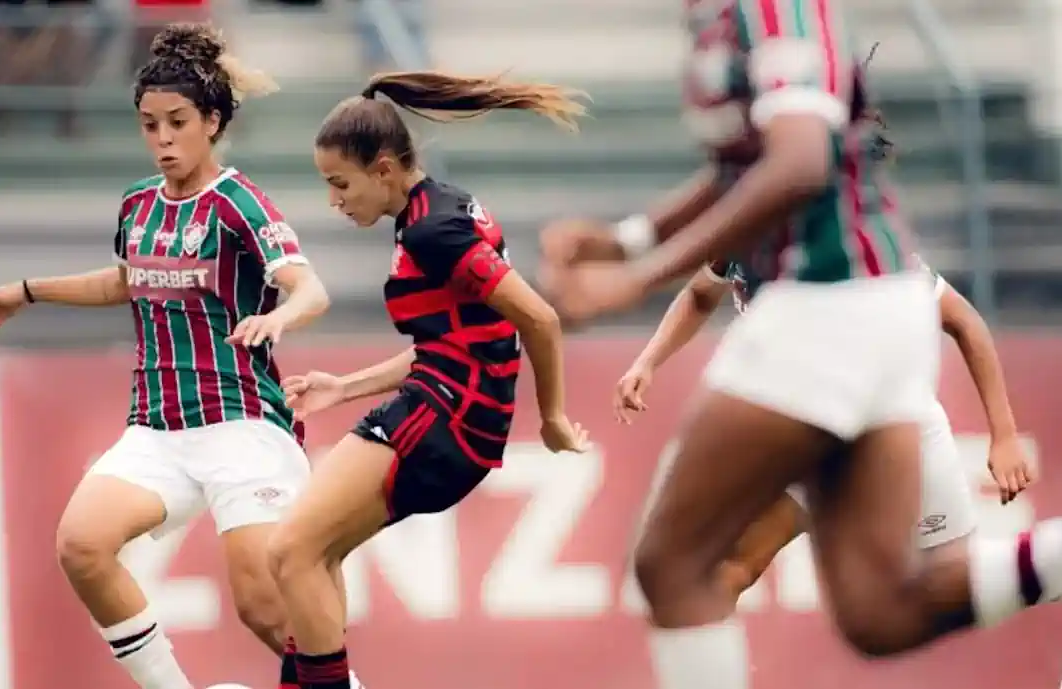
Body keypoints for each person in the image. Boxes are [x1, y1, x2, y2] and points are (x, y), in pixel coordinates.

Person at [535, 1, 1062, 685]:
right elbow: (748, 170)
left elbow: (800, 163)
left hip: (833, 300)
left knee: (675, 562)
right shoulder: (723, 15)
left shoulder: (775, 8)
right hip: (853, 310)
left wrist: (634, 279)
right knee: (880, 612)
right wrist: (627, 238)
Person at [0, 23, 348, 689]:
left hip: (241, 423)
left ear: (212, 121)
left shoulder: (239, 204)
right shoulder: (138, 204)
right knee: (82, 544)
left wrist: (280, 314)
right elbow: (126, 280)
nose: (163, 139)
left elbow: (309, 286)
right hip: (158, 429)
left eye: (177, 122)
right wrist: (27, 291)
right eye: (150, 125)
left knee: (264, 608)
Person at [266, 71, 591, 689]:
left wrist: (550, 419)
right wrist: (345, 387)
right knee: (314, 555)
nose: (334, 201)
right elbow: (451, 344)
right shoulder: (437, 207)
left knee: (290, 553)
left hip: (445, 425)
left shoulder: (432, 231)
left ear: (383, 169)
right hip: (445, 415)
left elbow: (540, 320)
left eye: (340, 184)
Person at [617, 257, 1032, 600]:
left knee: (952, 589)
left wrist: (1006, 435)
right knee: (731, 569)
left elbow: (962, 320)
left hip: (888, 435)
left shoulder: (860, 245)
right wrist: (647, 361)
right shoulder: (743, 231)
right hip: (805, 432)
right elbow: (698, 293)